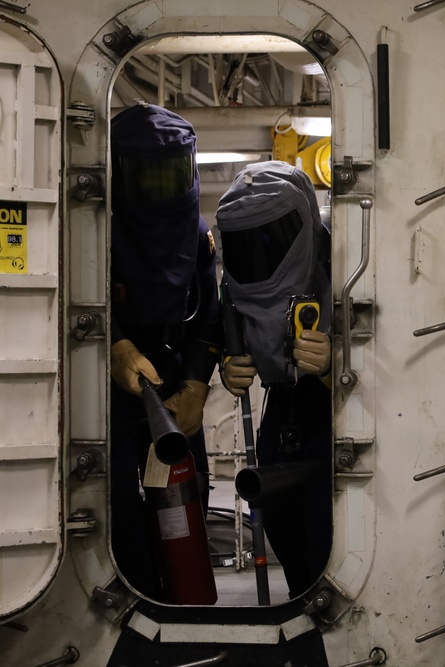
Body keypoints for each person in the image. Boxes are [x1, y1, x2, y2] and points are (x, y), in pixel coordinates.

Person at [108, 103, 221, 600]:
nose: (157, 189)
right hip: (110, 396)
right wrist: (113, 344)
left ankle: (188, 614)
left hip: (175, 392)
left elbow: (210, 309)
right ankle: (131, 615)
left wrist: (198, 382)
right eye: (144, 176)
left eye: (167, 174)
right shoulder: (94, 229)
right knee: (118, 511)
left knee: (187, 502)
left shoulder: (196, 234)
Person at [215, 161, 334, 599]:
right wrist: (229, 363)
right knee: (281, 523)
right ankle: (306, 607)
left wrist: (332, 366)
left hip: (333, 413)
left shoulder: (342, 262)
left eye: (275, 234)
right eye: (248, 240)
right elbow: (225, 327)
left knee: (326, 528)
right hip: (280, 408)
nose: (261, 249)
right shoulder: (232, 284)